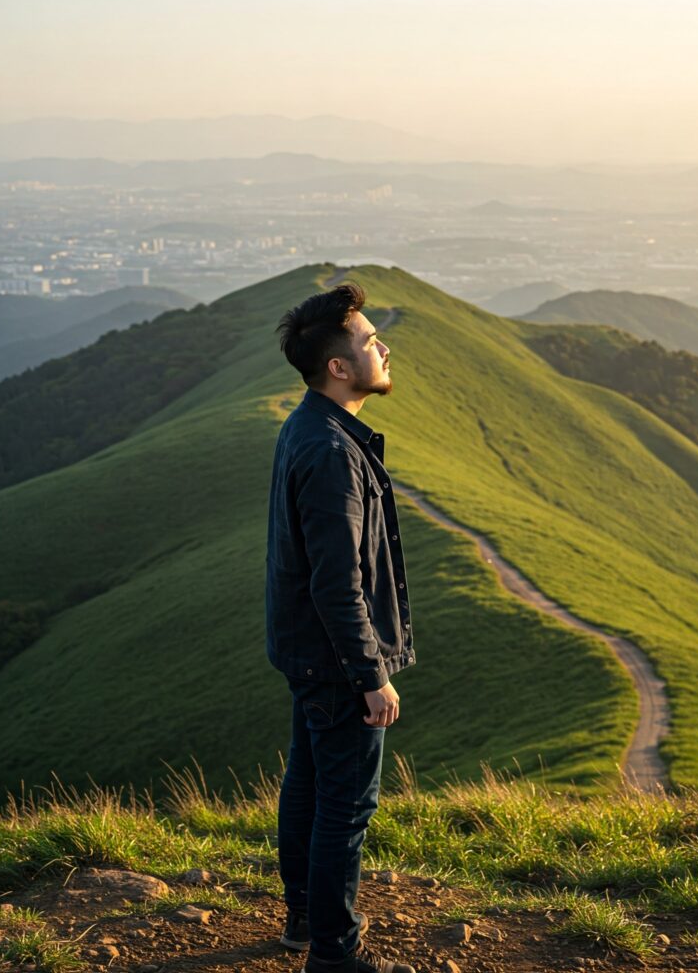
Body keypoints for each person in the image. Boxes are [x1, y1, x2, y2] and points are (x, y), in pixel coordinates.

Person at [266, 281, 417, 973]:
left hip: (304, 651)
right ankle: (335, 953)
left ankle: (304, 920)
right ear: (337, 366)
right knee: (346, 807)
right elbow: (338, 582)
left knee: (308, 784)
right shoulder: (331, 453)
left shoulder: (309, 428)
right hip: (335, 660)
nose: (381, 348)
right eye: (367, 341)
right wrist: (371, 676)